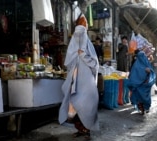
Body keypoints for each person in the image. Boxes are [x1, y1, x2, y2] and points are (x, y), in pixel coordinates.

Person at [58, 5, 99, 139]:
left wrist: (83, 56)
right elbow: (68, 62)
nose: (79, 37)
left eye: (84, 27)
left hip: (86, 82)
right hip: (74, 81)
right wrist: (77, 57)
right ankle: (81, 129)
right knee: (74, 104)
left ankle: (86, 129)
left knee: (87, 104)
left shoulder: (88, 44)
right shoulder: (74, 46)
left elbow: (94, 63)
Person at [127, 51, 156, 115]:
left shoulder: (147, 63)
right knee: (139, 97)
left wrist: (149, 71)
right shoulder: (135, 65)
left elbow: (152, 71)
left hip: (145, 84)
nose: (141, 58)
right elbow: (133, 74)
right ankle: (141, 109)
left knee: (146, 97)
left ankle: (146, 107)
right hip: (138, 85)